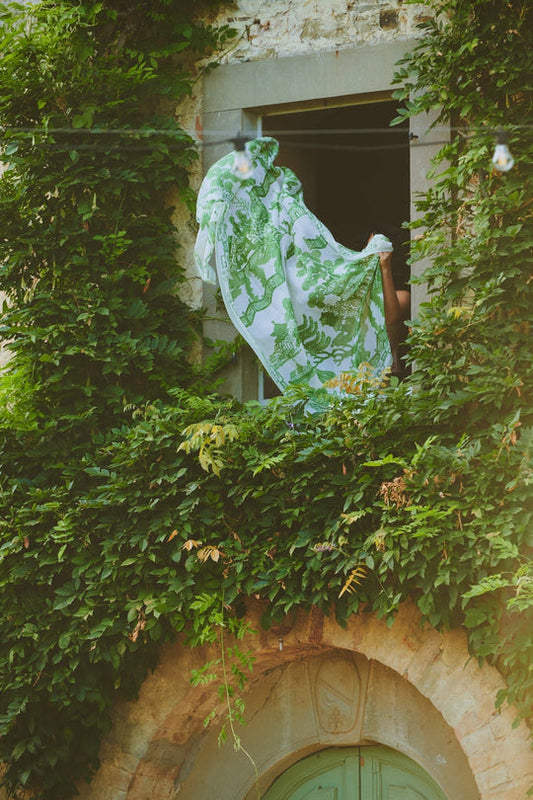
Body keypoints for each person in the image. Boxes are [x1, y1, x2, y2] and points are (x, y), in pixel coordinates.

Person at [195, 136, 410, 394]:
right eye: (366, 247)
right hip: (348, 384)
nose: (368, 253)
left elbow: (392, 319)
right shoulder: (344, 288)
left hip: (383, 383)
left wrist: (384, 268)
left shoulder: (401, 295)